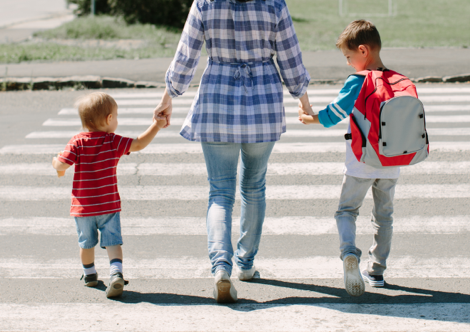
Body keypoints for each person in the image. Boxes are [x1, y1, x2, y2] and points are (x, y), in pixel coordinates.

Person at [153, 0, 313, 303]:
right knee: (254, 187)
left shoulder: (205, 3)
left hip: (217, 100)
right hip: (263, 101)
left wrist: (168, 96)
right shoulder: (273, 5)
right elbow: (290, 58)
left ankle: (220, 268)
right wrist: (303, 100)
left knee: (220, 192)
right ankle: (246, 263)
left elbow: (186, 55)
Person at [299, 20, 400, 297]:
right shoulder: (397, 80)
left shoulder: (359, 80)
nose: (347, 64)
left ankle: (348, 255)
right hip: (392, 162)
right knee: (384, 217)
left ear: (363, 51)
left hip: (362, 161)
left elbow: (336, 111)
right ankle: (377, 270)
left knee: (346, 211)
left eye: (348, 57)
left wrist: (312, 118)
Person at [52, 92, 168, 299]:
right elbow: (139, 143)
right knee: (113, 242)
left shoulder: (77, 142)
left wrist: (55, 163)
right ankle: (116, 273)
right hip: (108, 206)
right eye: (116, 115)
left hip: (83, 208)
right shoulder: (113, 141)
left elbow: (62, 165)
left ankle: (89, 274)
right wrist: (156, 126)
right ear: (109, 119)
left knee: (86, 243)